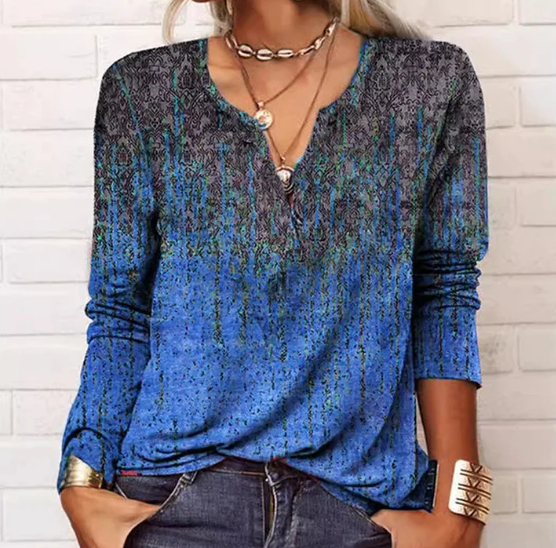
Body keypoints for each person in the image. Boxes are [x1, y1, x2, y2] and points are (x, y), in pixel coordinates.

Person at [57, 0, 494, 547]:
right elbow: (121, 310)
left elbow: (443, 293)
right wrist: (79, 482)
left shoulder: (428, 83)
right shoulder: (144, 91)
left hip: (355, 507)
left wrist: (460, 512)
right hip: (173, 504)